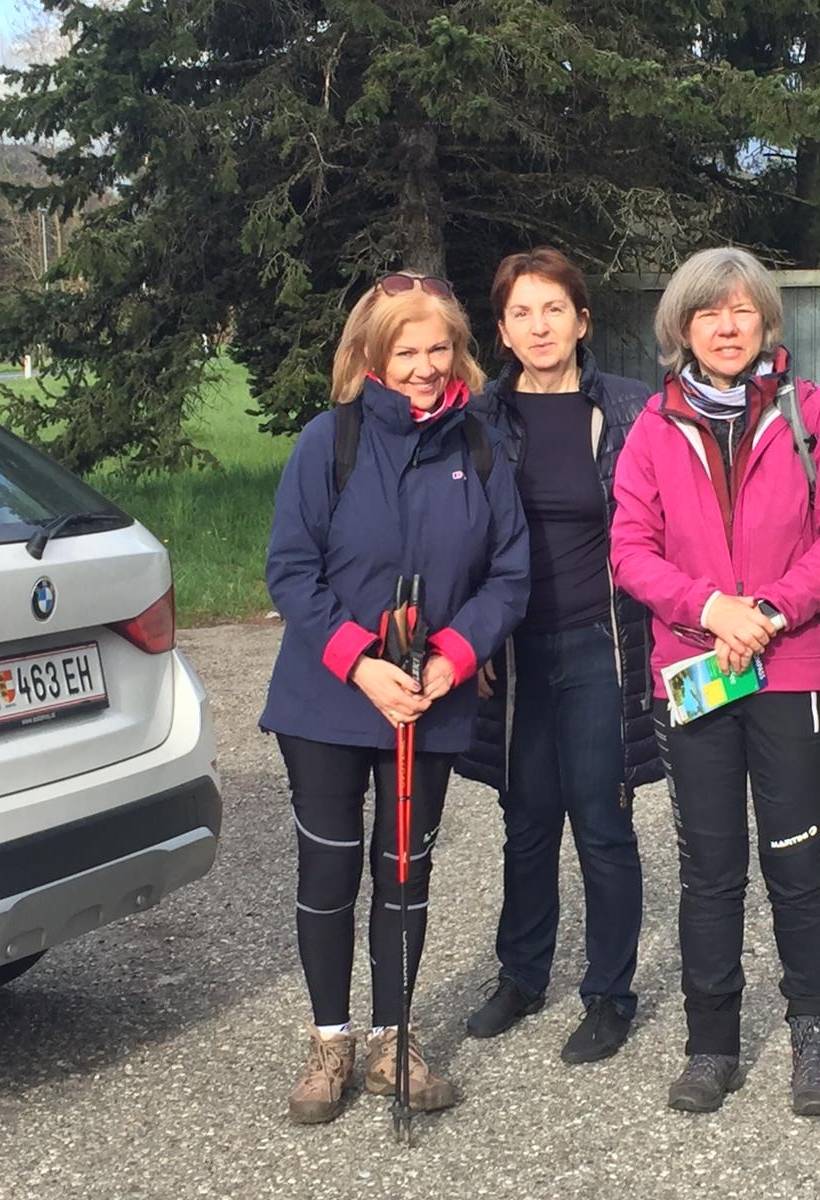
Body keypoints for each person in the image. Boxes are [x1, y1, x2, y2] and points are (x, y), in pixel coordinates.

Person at [261, 272, 530, 1125]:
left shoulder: (478, 445)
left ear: (459, 351)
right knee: (330, 868)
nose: (424, 366)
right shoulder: (329, 441)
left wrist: (455, 656)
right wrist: (361, 662)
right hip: (331, 697)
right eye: (406, 351)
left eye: (438, 348)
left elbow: (509, 574)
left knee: (404, 872)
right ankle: (329, 1040)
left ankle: (392, 1039)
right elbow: (291, 571)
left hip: (429, 696)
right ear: (374, 356)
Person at [610, 246, 820, 1116]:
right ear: (682, 327)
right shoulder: (653, 428)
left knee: (797, 862)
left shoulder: (812, 414)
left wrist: (769, 612)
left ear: (766, 322)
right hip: (696, 670)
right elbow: (630, 550)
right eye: (708, 312)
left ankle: (814, 1031)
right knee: (710, 869)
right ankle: (711, 1042)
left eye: (742, 310)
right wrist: (712, 609)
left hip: (792, 667)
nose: (726, 326)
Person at [456, 247, 659, 1063]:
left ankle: (609, 994)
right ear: (503, 331)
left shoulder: (633, 409)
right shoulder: (478, 420)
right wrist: (468, 632)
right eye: (521, 313)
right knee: (528, 817)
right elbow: (457, 536)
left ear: (582, 320)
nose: (539, 327)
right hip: (512, 649)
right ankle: (521, 975)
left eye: (553, 309)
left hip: (601, 642)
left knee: (602, 819)